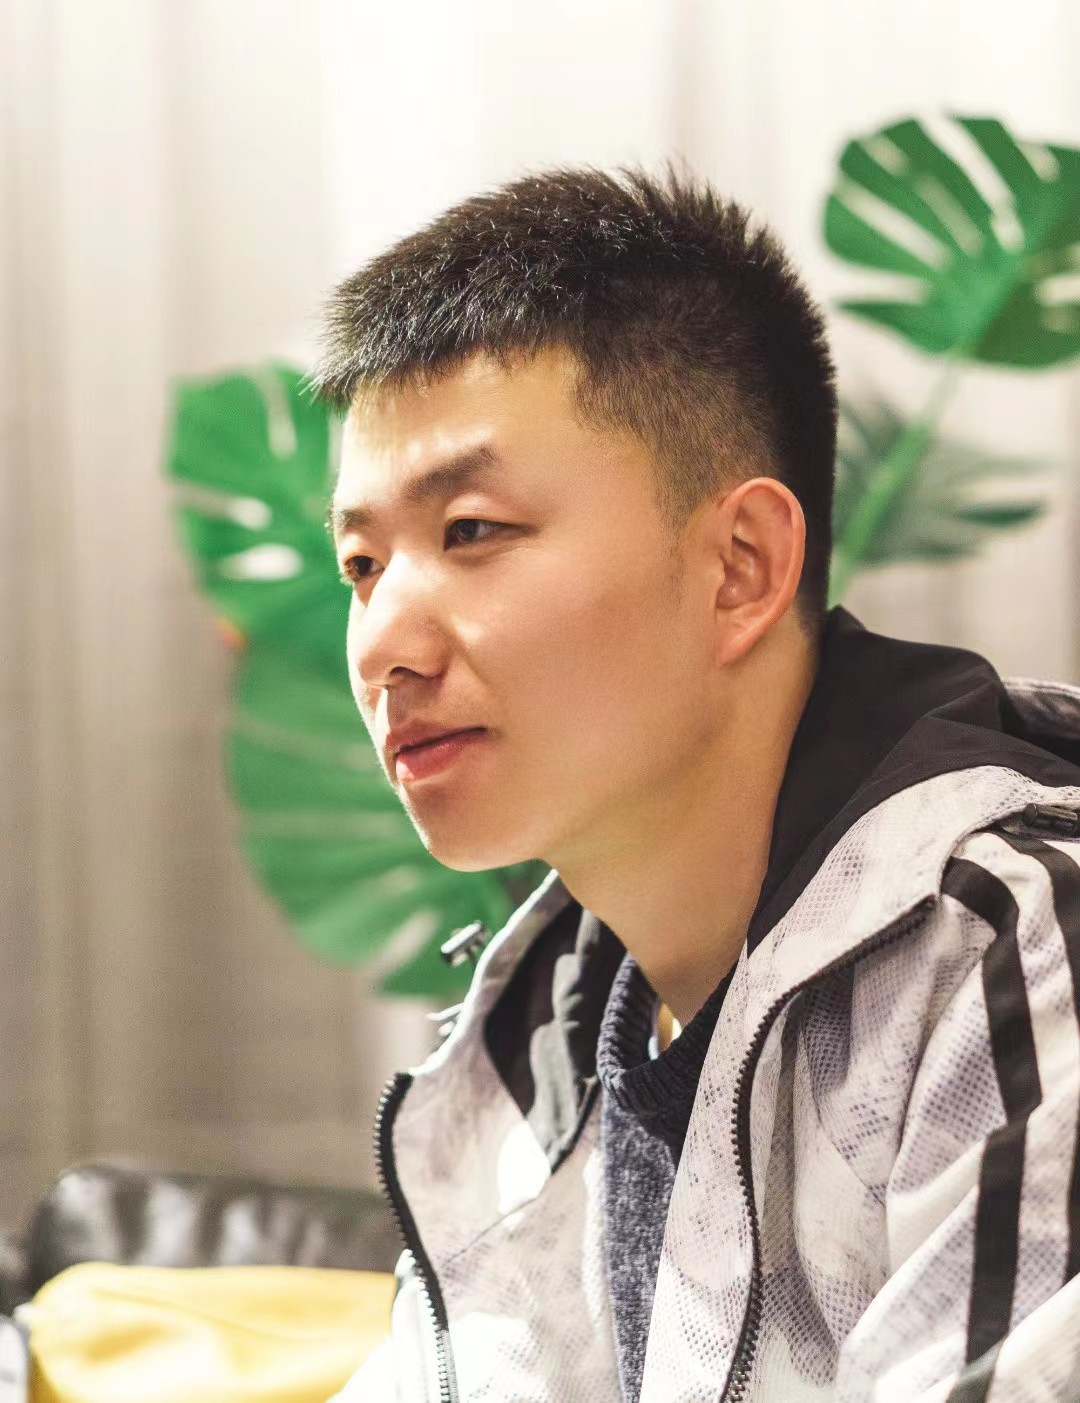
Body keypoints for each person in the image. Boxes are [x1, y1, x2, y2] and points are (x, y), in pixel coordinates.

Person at [316, 164, 1080, 1401]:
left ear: (741, 565)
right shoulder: (545, 1028)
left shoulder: (1016, 952)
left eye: (472, 531)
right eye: (361, 564)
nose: (383, 646)